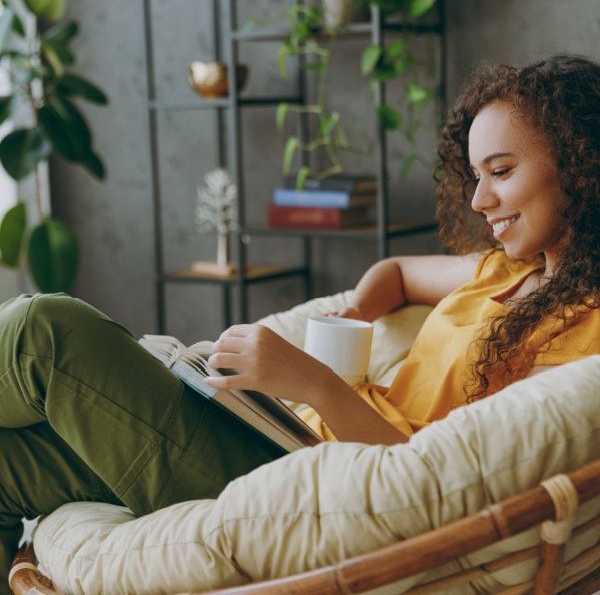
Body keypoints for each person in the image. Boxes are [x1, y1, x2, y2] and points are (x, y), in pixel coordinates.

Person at [1, 52, 599, 594]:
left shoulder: (585, 332)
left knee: (46, 332)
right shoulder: (500, 271)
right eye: (475, 176)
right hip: (281, 439)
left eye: (500, 171)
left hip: (316, 491)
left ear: (580, 164)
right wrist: (358, 312)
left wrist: (312, 381)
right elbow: (395, 272)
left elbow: (432, 489)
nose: (478, 201)